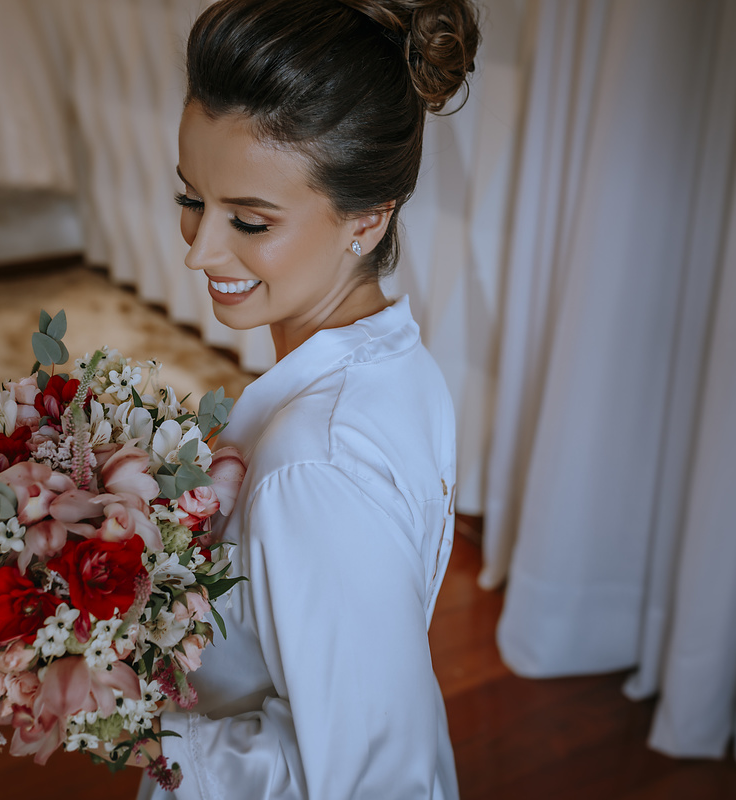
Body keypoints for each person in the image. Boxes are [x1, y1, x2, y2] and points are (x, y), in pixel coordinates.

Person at [134, 1, 480, 797]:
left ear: (367, 217)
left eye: (249, 221)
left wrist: (129, 723)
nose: (199, 250)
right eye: (193, 199)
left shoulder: (313, 465)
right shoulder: (398, 362)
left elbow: (369, 781)